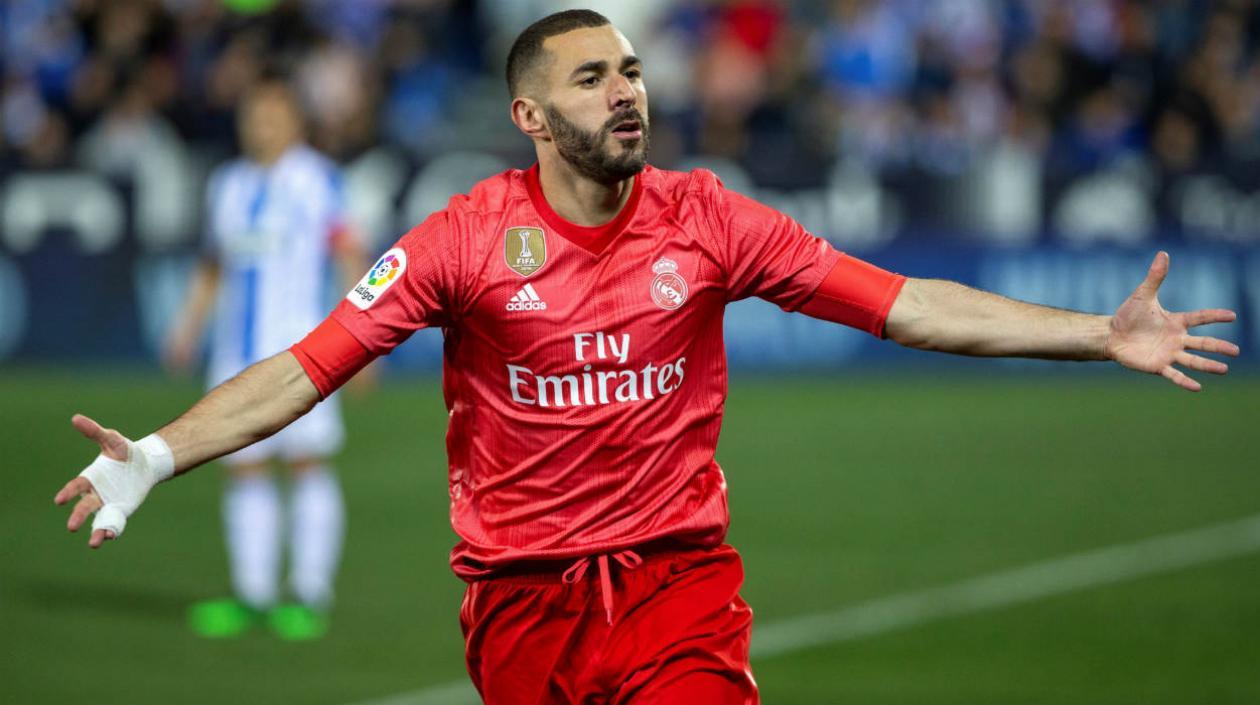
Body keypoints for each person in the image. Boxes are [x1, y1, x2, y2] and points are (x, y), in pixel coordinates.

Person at [56, 10, 1239, 703]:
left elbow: (907, 304)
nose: (627, 93)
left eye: (630, 70)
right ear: (531, 116)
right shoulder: (463, 240)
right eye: (593, 79)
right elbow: (304, 367)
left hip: (676, 589)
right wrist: (157, 455)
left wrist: (1097, 333)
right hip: (519, 610)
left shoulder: (709, 217)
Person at [161, 75, 366, 640]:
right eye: (253, 113)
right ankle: (252, 595)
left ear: (295, 120)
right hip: (234, 353)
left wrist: (364, 341)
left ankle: (306, 592)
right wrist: (187, 328)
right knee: (243, 468)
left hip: (304, 354)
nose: (261, 123)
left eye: (272, 112)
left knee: (306, 464)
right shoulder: (227, 183)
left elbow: (349, 251)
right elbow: (211, 265)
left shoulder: (317, 178)